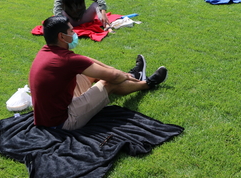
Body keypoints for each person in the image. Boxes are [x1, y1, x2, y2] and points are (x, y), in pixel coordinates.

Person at [29, 15, 169, 130]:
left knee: (92, 71)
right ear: (62, 36)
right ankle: (147, 84)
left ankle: (134, 76)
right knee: (108, 81)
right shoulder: (67, 60)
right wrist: (119, 74)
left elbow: (87, 61)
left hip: (49, 115)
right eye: (71, 31)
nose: (75, 33)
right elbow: (112, 77)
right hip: (63, 122)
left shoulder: (46, 51)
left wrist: (117, 72)